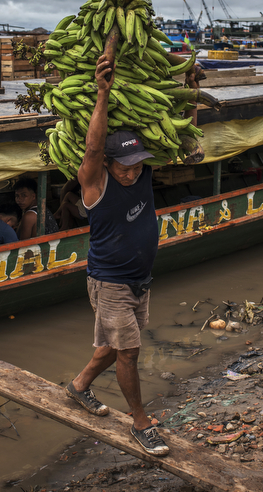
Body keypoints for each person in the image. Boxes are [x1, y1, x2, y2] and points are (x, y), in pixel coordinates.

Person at [64, 52, 169, 457]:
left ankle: (77, 387)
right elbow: (92, 149)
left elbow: (171, 132)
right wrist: (102, 94)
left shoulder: (144, 172)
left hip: (139, 280)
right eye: (123, 166)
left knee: (114, 345)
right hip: (109, 280)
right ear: (107, 163)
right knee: (128, 351)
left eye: (136, 165)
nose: (131, 172)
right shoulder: (96, 183)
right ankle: (140, 422)